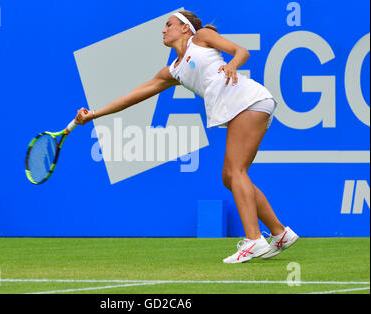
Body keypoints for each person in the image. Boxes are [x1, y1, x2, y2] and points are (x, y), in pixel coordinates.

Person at [74, 11, 299, 263]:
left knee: (236, 172)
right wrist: (94, 114)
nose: (163, 30)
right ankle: (280, 233)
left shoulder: (202, 37)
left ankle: (254, 240)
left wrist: (232, 65)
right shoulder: (173, 71)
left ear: (185, 28)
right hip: (246, 106)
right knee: (231, 177)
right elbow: (131, 97)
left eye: (168, 24)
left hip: (248, 101)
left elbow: (242, 52)